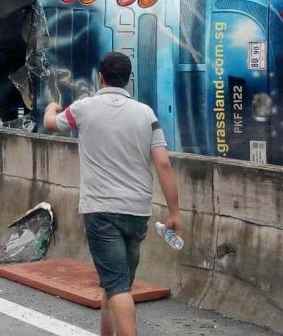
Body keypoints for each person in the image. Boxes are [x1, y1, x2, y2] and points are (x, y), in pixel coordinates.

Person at [43, 52, 182, 336]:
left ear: (100, 77)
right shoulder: (146, 114)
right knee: (116, 282)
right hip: (137, 211)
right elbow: (163, 163)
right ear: (129, 79)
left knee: (117, 286)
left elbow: (51, 124)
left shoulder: (83, 108)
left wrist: (51, 107)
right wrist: (175, 213)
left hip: (101, 210)